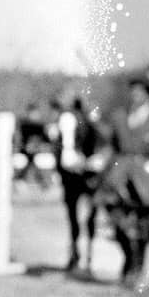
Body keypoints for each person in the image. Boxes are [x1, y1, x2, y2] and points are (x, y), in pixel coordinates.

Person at [96, 74, 149, 284]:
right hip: (119, 175)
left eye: (140, 91)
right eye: (133, 91)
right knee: (115, 217)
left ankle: (137, 266)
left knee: (145, 226)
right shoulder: (119, 117)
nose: (135, 95)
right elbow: (111, 147)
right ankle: (127, 256)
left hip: (147, 180)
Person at [53, 95, 103, 274]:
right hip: (71, 172)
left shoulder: (92, 125)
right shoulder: (66, 121)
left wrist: (91, 163)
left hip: (89, 172)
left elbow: (101, 145)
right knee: (72, 215)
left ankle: (88, 255)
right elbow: (59, 149)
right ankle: (75, 252)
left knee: (91, 215)